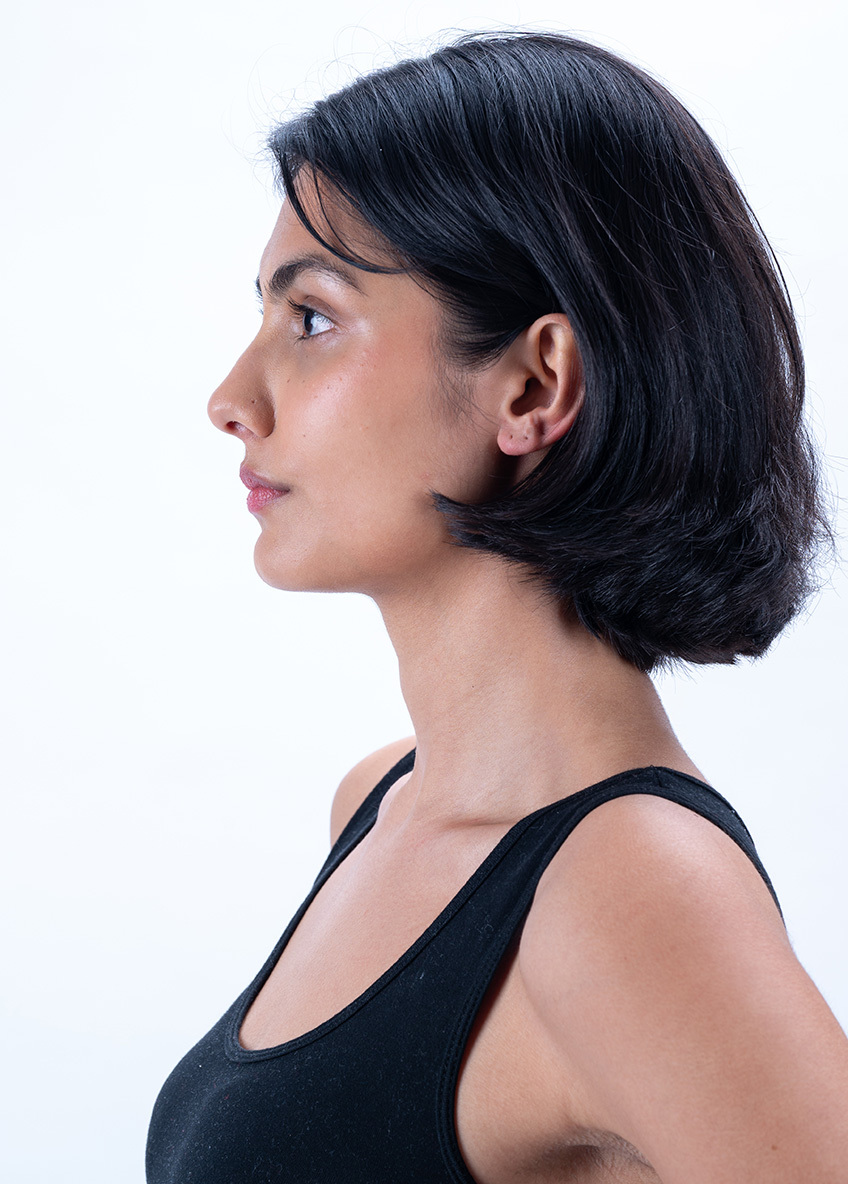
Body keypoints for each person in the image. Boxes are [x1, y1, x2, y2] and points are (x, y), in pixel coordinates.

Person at [146, 31, 848, 1183]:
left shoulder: (631, 887)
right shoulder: (378, 802)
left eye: (311, 318)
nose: (231, 397)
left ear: (534, 384)